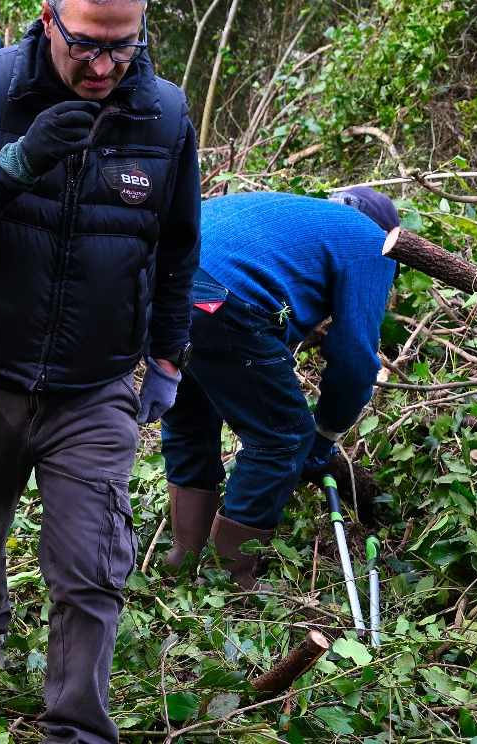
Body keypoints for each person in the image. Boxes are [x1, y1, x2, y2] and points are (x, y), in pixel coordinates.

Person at [0, 0, 200, 742]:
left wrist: (167, 358)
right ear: (48, 19)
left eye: (123, 45)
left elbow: (176, 247)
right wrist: (14, 165)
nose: (104, 67)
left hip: (94, 381)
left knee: (90, 565)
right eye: (86, 45)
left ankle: (76, 728)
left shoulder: (164, 114)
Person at [158, 187, 398, 586]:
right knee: (282, 437)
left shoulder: (294, 213)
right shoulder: (374, 242)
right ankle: (230, 581)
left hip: (162, 285)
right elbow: (356, 360)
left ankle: (183, 558)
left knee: (190, 420)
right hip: (222, 298)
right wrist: (323, 435)